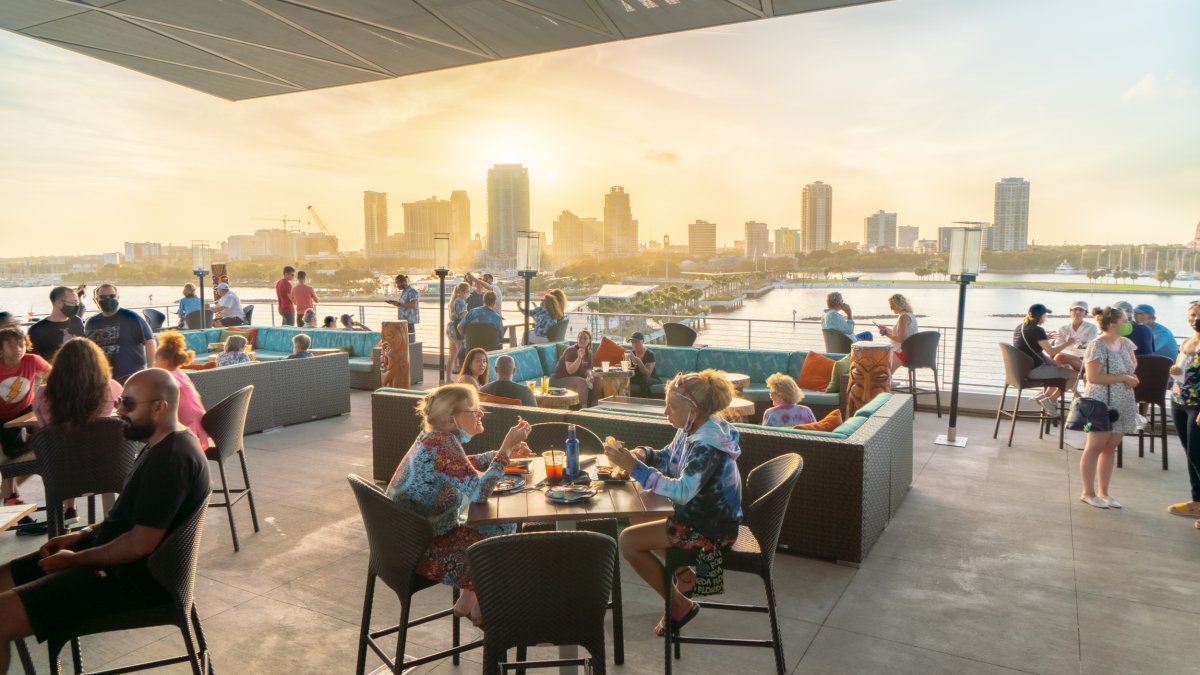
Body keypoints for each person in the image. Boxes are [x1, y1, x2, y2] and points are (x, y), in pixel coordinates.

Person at [0, 369, 210, 674]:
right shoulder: (159, 444)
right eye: (119, 402)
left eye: (127, 404)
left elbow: (140, 542)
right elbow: (130, 518)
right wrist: (84, 533)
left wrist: (75, 559)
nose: (118, 411)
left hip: (133, 582)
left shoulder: (172, 460)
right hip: (113, 560)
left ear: (158, 407)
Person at [603, 371, 743, 636]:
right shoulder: (694, 427)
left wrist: (636, 468)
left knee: (628, 542)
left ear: (694, 409)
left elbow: (682, 492)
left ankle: (680, 605)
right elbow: (669, 457)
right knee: (639, 508)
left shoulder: (707, 445)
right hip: (709, 518)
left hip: (712, 531)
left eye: (672, 406)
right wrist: (643, 455)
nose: (665, 411)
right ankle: (686, 577)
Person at [384, 384, 532, 627]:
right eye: (474, 410)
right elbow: (479, 492)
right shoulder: (444, 444)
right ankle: (485, 612)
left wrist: (497, 455)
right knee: (504, 530)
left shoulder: (434, 438)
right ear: (452, 419)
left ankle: (470, 598)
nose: (480, 414)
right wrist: (504, 450)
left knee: (499, 525)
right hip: (423, 552)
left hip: (403, 543)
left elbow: (457, 465)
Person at [32, 337, 124, 524]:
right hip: (109, 468)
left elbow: (47, 432)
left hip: (61, 473)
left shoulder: (42, 394)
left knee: (67, 448)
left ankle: (69, 509)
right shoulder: (111, 388)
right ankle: (114, 517)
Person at [1078, 306, 1138, 509]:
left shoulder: (1127, 344)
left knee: (1111, 446)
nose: (1128, 323)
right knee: (1094, 446)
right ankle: (1088, 492)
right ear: (1113, 324)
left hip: (1123, 401)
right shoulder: (1097, 346)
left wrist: (1131, 378)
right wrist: (1123, 378)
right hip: (1101, 401)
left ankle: (1104, 492)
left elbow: (1132, 367)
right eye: (1124, 320)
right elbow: (1093, 377)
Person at [0, 328, 51, 508]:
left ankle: (10, 495)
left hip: (25, 411)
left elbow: (52, 375)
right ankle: (10, 495)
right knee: (9, 455)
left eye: (21, 344)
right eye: (11, 345)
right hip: (3, 417)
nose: (18, 349)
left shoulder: (32, 360)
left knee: (45, 441)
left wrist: (44, 393)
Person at [1013, 303, 1078, 416]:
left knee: (1063, 367)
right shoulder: (1038, 330)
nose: (1046, 317)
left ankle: (1043, 396)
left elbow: (1028, 344)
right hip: (1034, 371)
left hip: (1022, 371)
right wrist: (1068, 343)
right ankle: (1051, 400)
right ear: (1041, 316)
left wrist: (1044, 339)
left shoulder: (1020, 327)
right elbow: (1051, 352)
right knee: (1075, 375)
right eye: (1045, 315)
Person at [84, 284, 156, 383]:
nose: (107, 299)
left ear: (117, 297)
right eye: (103, 297)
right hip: (102, 381)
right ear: (95, 300)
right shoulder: (91, 323)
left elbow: (150, 342)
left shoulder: (132, 318)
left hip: (130, 380)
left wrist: (151, 371)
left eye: (112, 296)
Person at [1168, 301, 1200, 520]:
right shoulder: (1186, 342)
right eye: (1193, 314)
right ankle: (1197, 500)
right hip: (1179, 400)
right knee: (1190, 453)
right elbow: (1181, 370)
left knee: (1198, 454)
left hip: (1197, 406)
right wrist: (1175, 370)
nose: (1195, 318)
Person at [153, 331, 208, 448]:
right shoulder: (181, 374)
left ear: (165, 363)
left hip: (187, 433)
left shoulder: (169, 378)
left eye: (155, 361)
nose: (153, 364)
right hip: (199, 423)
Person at [28, 286, 85, 361]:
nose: (76, 306)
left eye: (77, 302)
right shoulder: (37, 329)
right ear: (59, 303)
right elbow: (32, 359)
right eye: (73, 302)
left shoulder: (77, 321)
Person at [550, 329, 597, 407]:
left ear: (589, 341)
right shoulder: (571, 351)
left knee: (598, 379)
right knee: (581, 381)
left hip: (573, 379)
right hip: (558, 379)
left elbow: (588, 368)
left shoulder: (588, 353)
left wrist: (590, 375)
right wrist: (579, 358)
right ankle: (583, 410)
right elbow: (570, 371)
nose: (582, 340)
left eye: (585, 338)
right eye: (580, 337)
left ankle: (594, 405)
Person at [1052, 300, 1097, 374]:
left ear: (1085, 313)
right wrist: (1067, 344)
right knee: (1067, 367)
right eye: (1075, 309)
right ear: (1070, 312)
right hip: (1065, 358)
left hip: (1083, 360)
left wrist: (1076, 351)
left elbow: (1091, 348)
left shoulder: (1092, 328)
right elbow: (1058, 347)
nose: (1077, 312)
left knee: (1059, 357)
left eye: (1081, 310)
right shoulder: (1062, 329)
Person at [879, 293, 918, 373]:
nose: (891, 308)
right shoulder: (909, 315)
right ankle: (889, 381)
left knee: (883, 373)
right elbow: (901, 334)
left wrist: (886, 333)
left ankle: (887, 382)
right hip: (910, 350)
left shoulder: (904, 317)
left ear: (897, 304)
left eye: (891, 305)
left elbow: (900, 339)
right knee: (881, 362)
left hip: (903, 352)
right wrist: (887, 329)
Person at [446, 282, 471, 382]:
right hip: (457, 329)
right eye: (468, 292)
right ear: (462, 291)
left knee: (452, 355)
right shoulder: (461, 301)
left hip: (451, 328)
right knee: (461, 354)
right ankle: (461, 379)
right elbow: (463, 316)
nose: (469, 294)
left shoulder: (454, 300)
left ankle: (448, 379)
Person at [385, 274, 419, 343]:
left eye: (398, 283)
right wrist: (395, 303)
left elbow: (413, 305)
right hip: (402, 322)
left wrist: (399, 304)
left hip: (408, 322)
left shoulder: (411, 291)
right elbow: (403, 305)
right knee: (403, 343)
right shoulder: (404, 292)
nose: (397, 285)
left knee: (410, 344)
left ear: (403, 282)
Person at [627, 331, 660, 398]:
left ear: (643, 342)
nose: (634, 344)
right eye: (632, 342)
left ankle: (646, 403)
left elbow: (647, 374)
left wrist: (639, 362)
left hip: (651, 378)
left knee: (644, 380)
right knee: (623, 379)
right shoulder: (631, 353)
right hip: (637, 378)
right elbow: (629, 369)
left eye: (636, 342)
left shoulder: (649, 354)